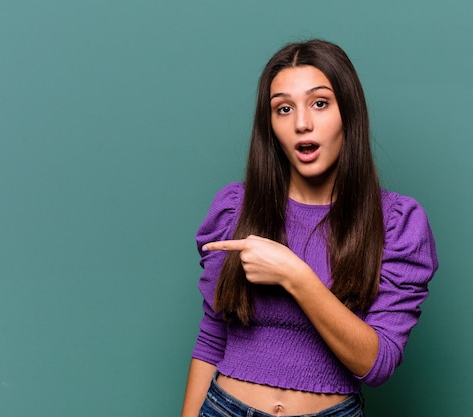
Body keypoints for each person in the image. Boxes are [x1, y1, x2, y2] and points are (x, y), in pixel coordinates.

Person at [181, 39, 438, 417]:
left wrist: (295, 276)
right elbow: (211, 337)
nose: (302, 123)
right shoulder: (236, 209)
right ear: (270, 125)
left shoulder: (396, 223)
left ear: (348, 112)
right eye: (283, 109)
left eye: (319, 103)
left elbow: (377, 364)